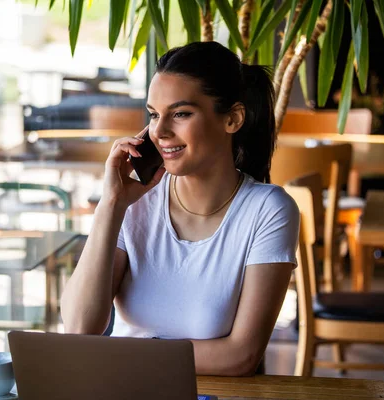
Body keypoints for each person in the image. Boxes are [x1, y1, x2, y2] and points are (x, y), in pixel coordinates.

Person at [61, 41, 300, 377]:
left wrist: (120, 352)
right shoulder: (134, 202)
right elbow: (79, 329)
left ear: (232, 118)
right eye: (154, 115)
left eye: (181, 114)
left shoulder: (268, 210)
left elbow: (240, 356)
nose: (159, 131)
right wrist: (111, 204)